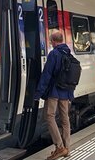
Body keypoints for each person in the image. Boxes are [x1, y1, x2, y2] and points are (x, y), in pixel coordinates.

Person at [34, 31, 73, 160]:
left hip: (54, 92)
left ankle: (60, 147)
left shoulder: (54, 54)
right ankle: (67, 148)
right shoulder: (68, 53)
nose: (50, 43)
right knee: (65, 118)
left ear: (54, 41)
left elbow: (46, 75)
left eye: (51, 41)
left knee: (49, 116)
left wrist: (38, 93)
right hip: (66, 92)